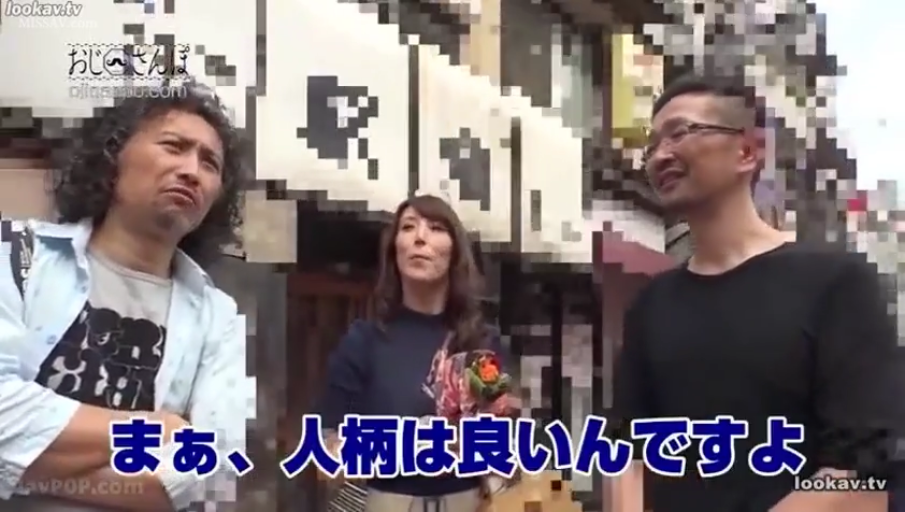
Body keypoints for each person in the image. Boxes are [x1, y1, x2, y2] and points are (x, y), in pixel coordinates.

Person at [611, 73, 899, 512]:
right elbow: (628, 451)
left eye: (680, 133)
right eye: (652, 145)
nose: (660, 155)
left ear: (747, 151)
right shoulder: (650, 307)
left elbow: (861, 471)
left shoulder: (837, 282)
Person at [0, 82, 252, 511]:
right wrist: (161, 429)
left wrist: (21, 471)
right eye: (174, 147)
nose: (192, 170)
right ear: (113, 156)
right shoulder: (15, 254)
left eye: (209, 163)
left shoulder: (218, 317)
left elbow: (214, 467)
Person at [316, 194, 516, 512]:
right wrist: (409, 445)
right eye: (408, 227)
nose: (420, 237)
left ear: (455, 252)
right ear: (394, 250)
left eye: (435, 228)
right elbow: (327, 448)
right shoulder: (363, 341)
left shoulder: (481, 344)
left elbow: (502, 448)